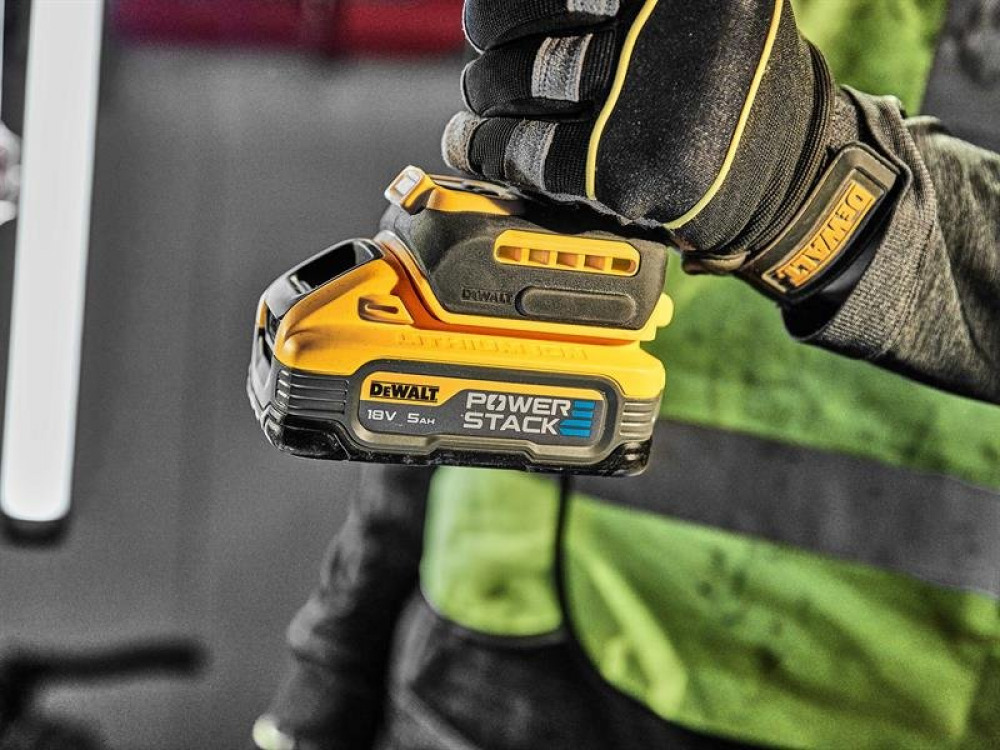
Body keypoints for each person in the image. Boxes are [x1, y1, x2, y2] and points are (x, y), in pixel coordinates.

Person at [255, 1, 1000, 748]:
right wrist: (340, 641)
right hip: (483, 655)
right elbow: (451, 313)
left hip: (849, 701)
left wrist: (822, 190)